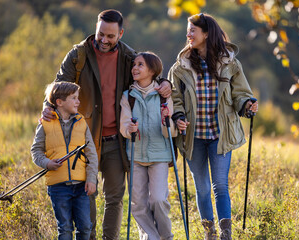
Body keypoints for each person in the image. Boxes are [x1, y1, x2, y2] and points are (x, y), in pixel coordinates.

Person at [41, 9, 171, 239]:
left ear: (120, 34)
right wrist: (47, 105)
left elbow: (150, 74)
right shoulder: (78, 55)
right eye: (101, 33)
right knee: (86, 193)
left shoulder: (129, 57)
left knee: (114, 197)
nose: (104, 40)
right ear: (96, 28)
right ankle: (88, 236)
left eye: (110, 36)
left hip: (115, 140)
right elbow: (59, 84)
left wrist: (165, 83)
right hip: (84, 138)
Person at [168, 13, 259, 240]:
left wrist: (247, 104)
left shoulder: (229, 63)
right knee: (202, 188)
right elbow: (174, 97)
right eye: (188, 30)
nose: (188, 34)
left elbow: (241, 94)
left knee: (220, 185)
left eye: (192, 30)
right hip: (193, 136)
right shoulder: (180, 67)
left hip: (220, 134)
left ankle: (225, 234)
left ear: (206, 33)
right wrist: (177, 115)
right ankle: (210, 235)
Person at [120, 52, 177, 240]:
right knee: (138, 205)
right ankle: (151, 238)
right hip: (136, 154)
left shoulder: (164, 95)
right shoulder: (128, 96)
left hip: (159, 155)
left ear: (152, 71)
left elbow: (172, 132)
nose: (134, 68)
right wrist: (130, 129)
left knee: (159, 200)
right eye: (134, 64)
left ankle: (165, 236)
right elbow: (124, 127)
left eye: (140, 65)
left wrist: (166, 122)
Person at [31, 82, 98, 240]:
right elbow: (36, 151)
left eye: (78, 98)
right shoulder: (45, 124)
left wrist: (91, 179)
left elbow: (91, 154)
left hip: (81, 186)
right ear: (59, 102)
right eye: (74, 98)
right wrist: (47, 163)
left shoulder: (82, 123)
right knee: (65, 228)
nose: (78, 101)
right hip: (58, 187)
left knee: (85, 227)